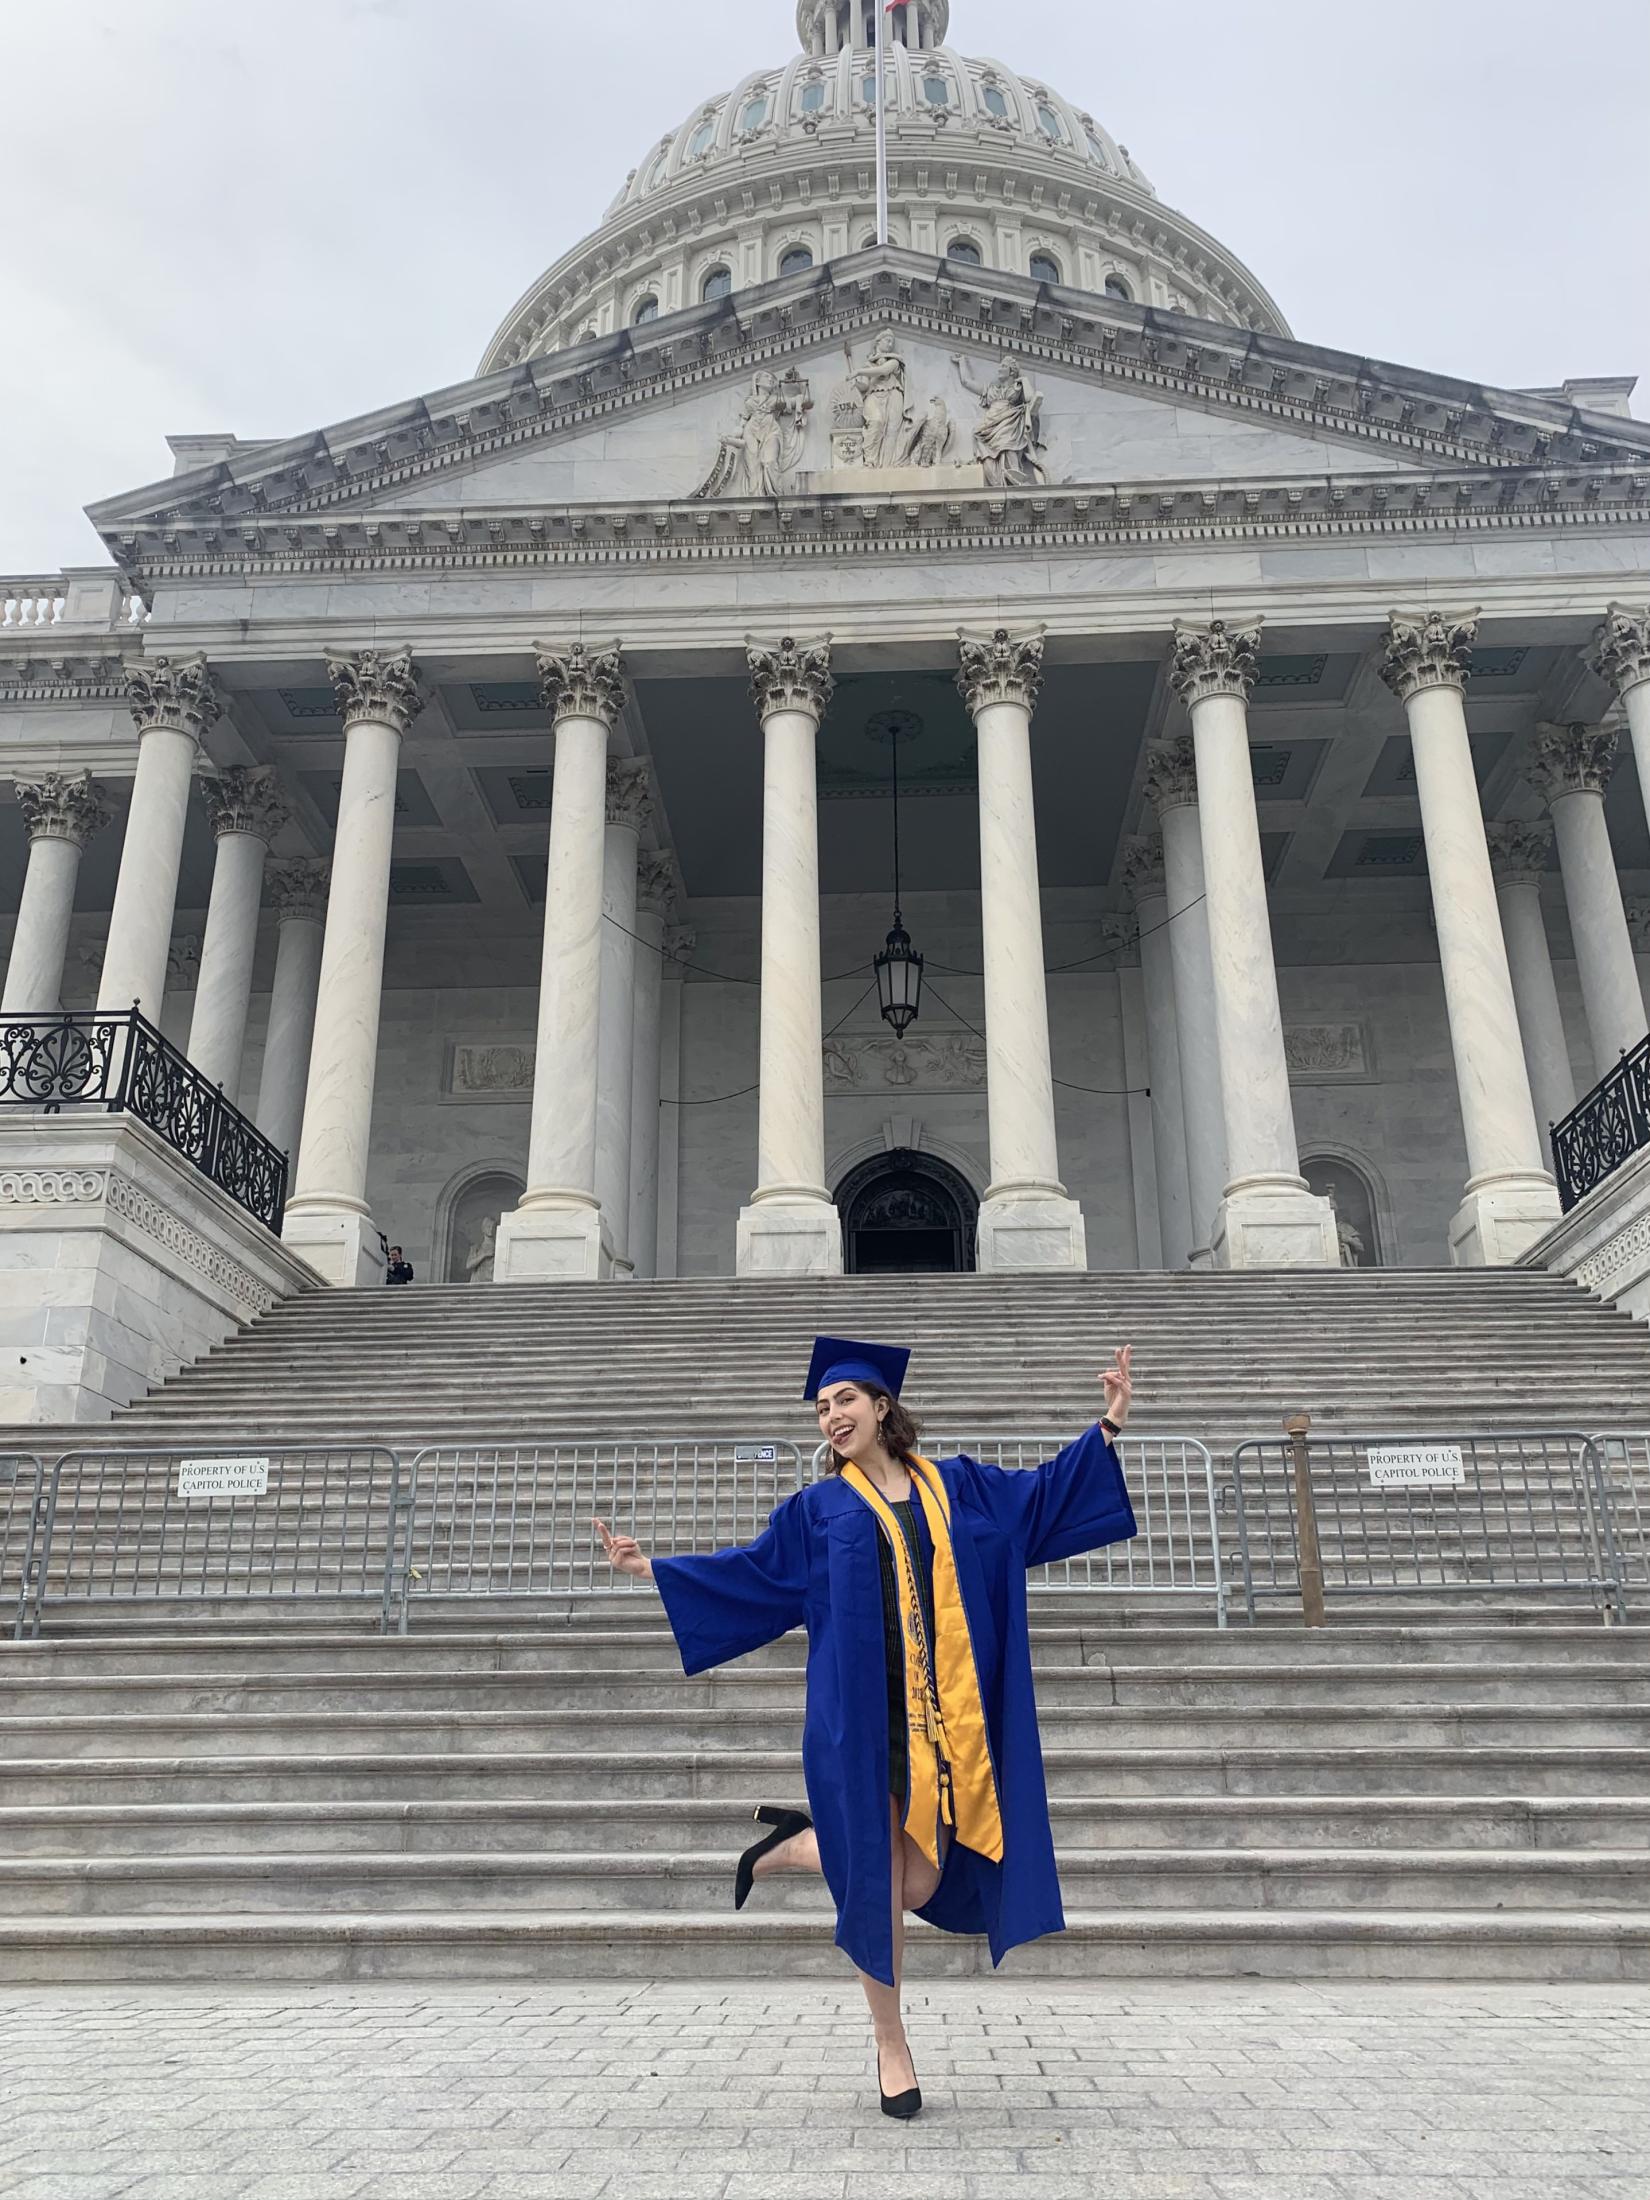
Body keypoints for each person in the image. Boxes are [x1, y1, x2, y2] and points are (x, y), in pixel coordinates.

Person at [595, 1333, 1136, 2120]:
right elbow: (752, 1574)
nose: (831, 1415)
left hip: (946, 1723)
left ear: (884, 1408)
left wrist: (1109, 1425)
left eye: (845, 1399)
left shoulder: (960, 1487)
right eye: (821, 1407)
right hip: (861, 1721)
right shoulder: (817, 1511)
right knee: (880, 1888)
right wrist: (652, 1570)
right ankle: (892, 2044)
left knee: (916, 1880)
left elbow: (1044, 1498)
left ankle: (798, 1842)